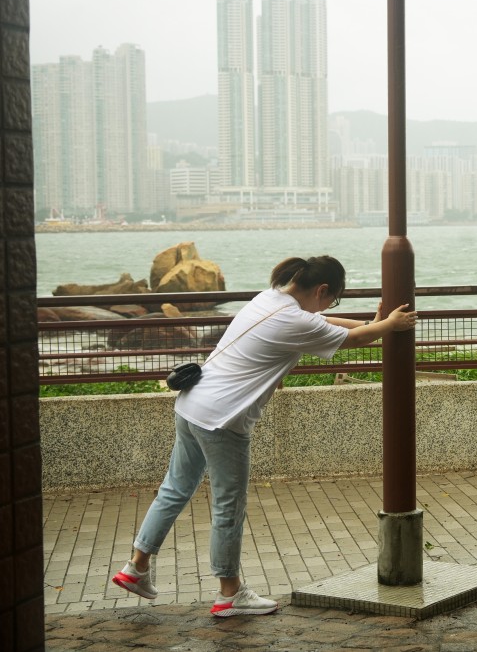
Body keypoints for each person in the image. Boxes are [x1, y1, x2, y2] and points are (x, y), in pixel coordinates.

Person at [111, 255, 417, 617]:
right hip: (223, 420)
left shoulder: (269, 298)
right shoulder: (292, 319)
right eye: (331, 298)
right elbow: (351, 339)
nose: (328, 306)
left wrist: (377, 323)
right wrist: (388, 325)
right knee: (229, 507)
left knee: (175, 489)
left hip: (192, 404)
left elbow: (322, 322)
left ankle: (136, 567)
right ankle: (229, 594)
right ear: (321, 290)